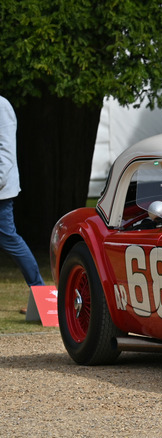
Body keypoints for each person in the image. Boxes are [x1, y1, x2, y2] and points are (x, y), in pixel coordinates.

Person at [0, 95, 45, 317]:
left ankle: (40, 294)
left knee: (10, 239)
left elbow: (6, 153)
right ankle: (40, 294)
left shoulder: (2, 106)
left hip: (1, 190)